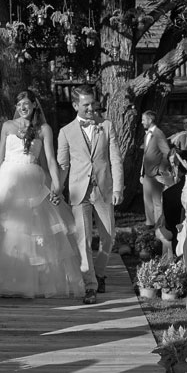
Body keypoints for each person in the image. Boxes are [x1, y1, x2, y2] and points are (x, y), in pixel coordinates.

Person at [0, 89, 84, 299]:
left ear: (34, 104)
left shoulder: (44, 129)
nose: (22, 108)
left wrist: (57, 186)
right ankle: (2, 282)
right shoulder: (8, 126)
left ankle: (32, 282)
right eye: (19, 105)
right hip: (7, 180)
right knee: (3, 229)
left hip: (32, 180)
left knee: (32, 231)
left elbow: (51, 160)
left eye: (26, 104)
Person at [56, 84, 123, 304]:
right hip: (78, 190)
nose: (91, 108)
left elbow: (115, 159)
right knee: (83, 239)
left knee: (108, 236)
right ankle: (90, 285)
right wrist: (57, 188)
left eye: (93, 103)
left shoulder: (107, 126)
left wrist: (118, 188)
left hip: (103, 188)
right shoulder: (65, 132)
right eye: (86, 105)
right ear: (76, 105)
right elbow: (63, 165)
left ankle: (100, 273)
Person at [140, 110, 170, 229]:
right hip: (147, 174)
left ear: (150, 120)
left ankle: (159, 226)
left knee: (157, 202)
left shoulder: (158, 134)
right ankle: (150, 224)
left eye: (143, 119)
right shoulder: (147, 134)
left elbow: (166, 152)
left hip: (156, 174)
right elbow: (145, 155)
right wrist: (141, 173)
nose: (142, 122)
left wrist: (159, 170)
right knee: (147, 200)